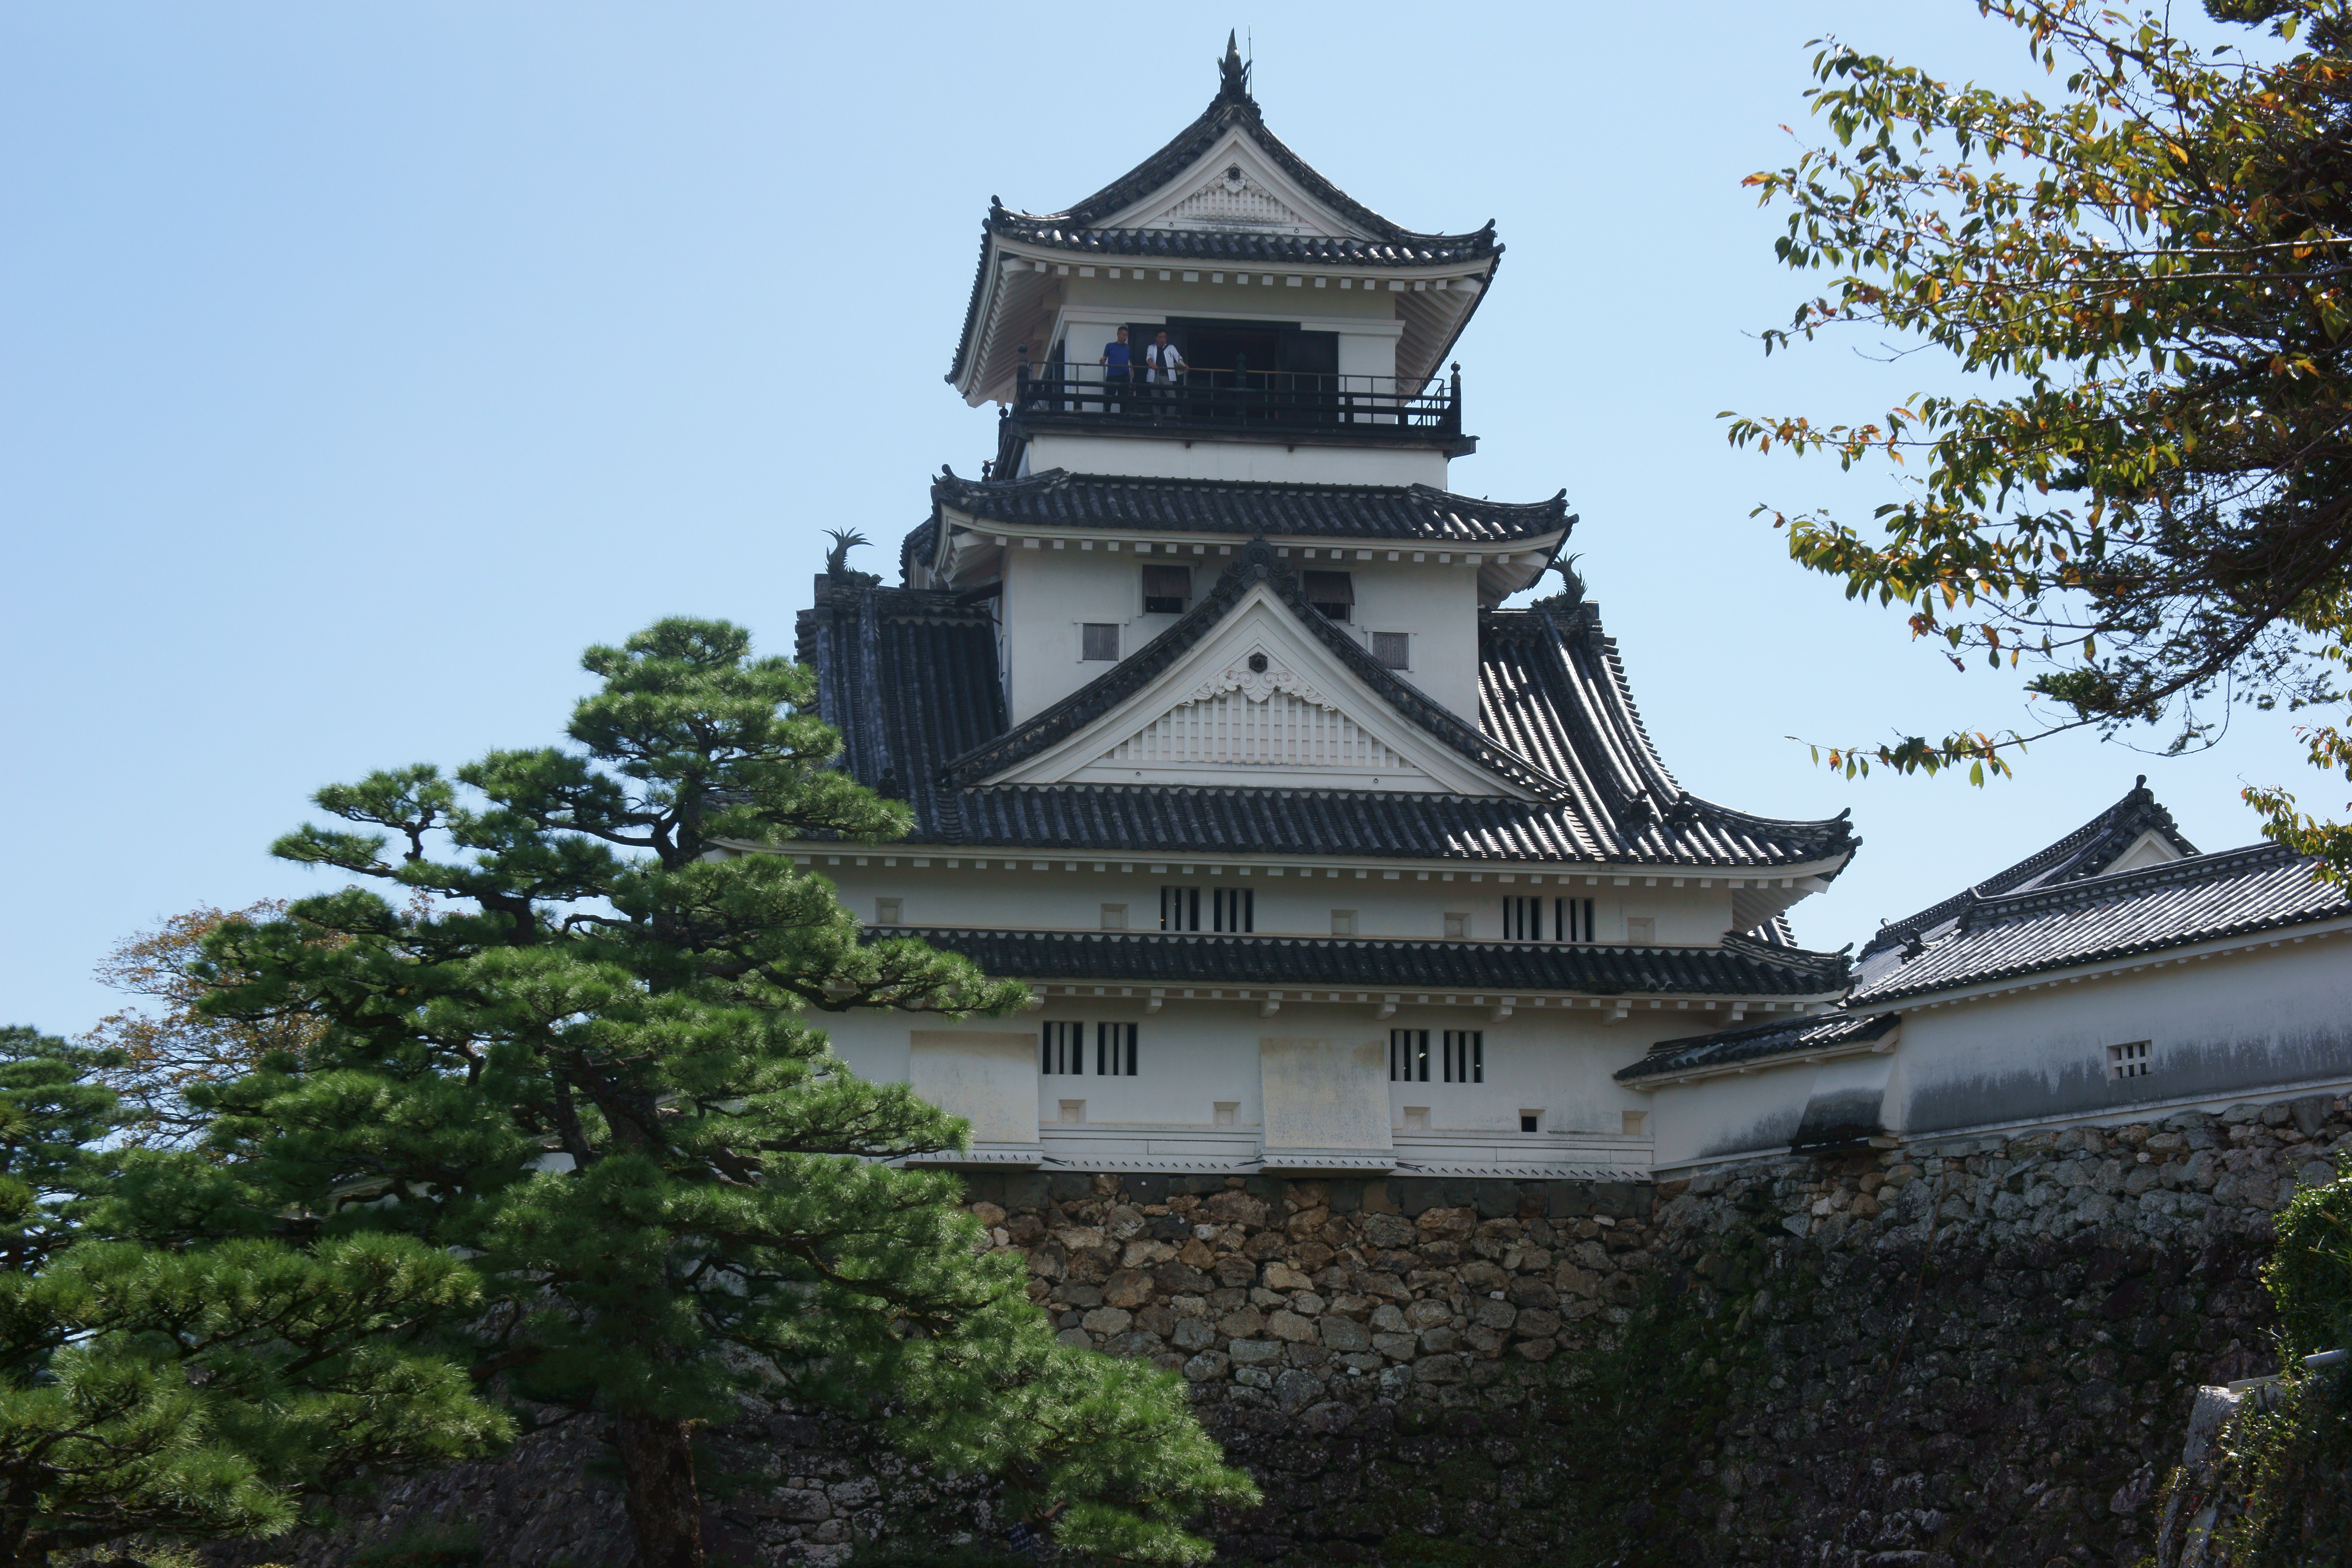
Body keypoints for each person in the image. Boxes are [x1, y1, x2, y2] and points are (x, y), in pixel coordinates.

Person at [1142, 329, 1187, 414]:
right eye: (1161, 338)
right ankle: (1157, 421)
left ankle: (1168, 419)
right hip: (1155, 376)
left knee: (1173, 399)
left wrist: (1183, 365)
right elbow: (1149, 357)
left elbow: (1178, 357)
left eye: (1165, 337)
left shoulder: (1171, 347)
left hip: (1167, 376)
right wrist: (1152, 365)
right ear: (1156, 338)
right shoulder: (1151, 347)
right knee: (1156, 400)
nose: (1163, 339)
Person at [1098, 326, 1131, 413]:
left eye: (1126, 336)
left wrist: (1132, 374)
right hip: (1112, 376)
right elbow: (1104, 360)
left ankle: (1123, 420)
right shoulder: (1110, 346)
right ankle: (1107, 418)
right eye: (1123, 335)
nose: (1125, 337)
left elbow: (1129, 361)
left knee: (1124, 401)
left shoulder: (1127, 347)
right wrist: (1102, 361)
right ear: (1118, 334)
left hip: (1125, 376)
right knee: (1109, 399)